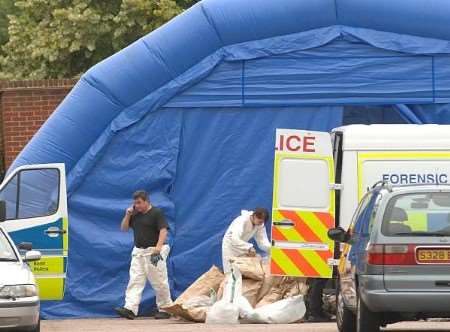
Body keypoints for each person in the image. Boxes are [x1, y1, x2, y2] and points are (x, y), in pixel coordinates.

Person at [114, 190, 173, 320]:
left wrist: (158, 248)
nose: (137, 206)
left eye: (139, 203)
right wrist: (128, 215)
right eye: (135, 203)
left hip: (154, 252)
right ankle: (130, 308)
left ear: (147, 201)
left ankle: (165, 308)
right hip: (139, 252)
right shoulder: (135, 214)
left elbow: (163, 230)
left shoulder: (156, 213)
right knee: (135, 280)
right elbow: (123, 228)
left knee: (159, 280)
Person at [222, 208, 271, 273]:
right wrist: (249, 247)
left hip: (242, 247)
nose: (260, 224)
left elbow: (262, 241)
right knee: (231, 272)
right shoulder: (242, 220)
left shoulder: (259, 225)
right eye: (260, 222)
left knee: (243, 272)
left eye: (262, 222)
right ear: (254, 216)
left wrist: (271, 249)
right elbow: (234, 238)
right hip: (230, 247)